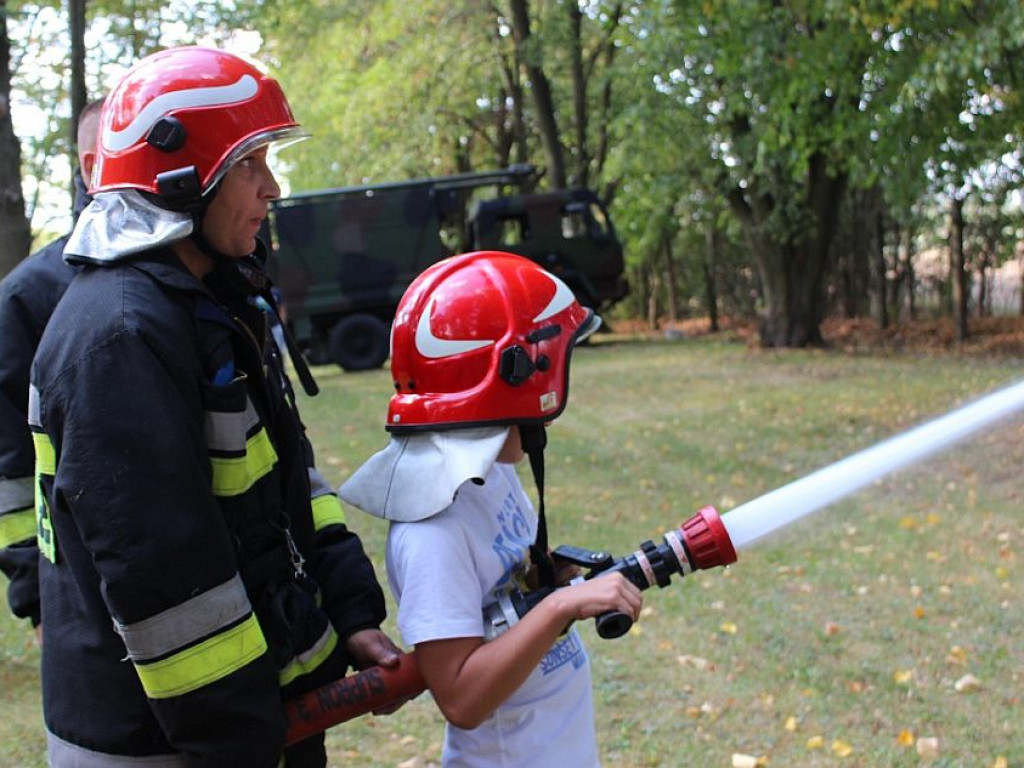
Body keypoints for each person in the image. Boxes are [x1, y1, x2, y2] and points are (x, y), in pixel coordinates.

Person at [28, 46, 399, 768]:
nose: (272, 187)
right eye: (250, 163)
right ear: (178, 179)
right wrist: (243, 739)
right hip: (169, 742)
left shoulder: (212, 301)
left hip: (244, 721)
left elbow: (286, 483)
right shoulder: (122, 337)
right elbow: (165, 582)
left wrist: (349, 608)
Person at [340, 250, 644, 767]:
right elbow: (461, 698)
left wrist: (550, 575)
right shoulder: (431, 533)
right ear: (511, 375)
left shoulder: (490, 473)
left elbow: (504, 585)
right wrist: (559, 606)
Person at [0, 96, 104, 637]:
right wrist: (35, 596)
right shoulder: (27, 297)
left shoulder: (205, 277)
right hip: (78, 595)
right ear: (91, 166)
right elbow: (12, 472)